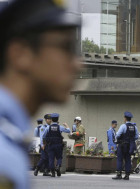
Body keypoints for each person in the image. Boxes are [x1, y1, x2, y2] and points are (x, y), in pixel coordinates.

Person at [0, 0, 80, 188]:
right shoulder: (5, 161)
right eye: (65, 47)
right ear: (20, 54)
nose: (77, 64)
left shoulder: (10, 136)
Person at [112, 112, 139, 180]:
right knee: (128, 159)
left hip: (122, 145)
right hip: (130, 146)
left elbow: (117, 135)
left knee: (120, 159)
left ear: (125, 118)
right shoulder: (134, 127)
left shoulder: (123, 126)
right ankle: (127, 175)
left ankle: (119, 174)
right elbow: (136, 136)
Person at [43, 113, 70, 177]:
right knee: (59, 157)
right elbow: (68, 131)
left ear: (51, 119)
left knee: (51, 159)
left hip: (50, 145)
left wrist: (44, 144)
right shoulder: (60, 127)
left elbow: (44, 136)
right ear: (58, 119)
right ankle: (58, 166)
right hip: (58, 145)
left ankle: (52, 172)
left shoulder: (48, 128)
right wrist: (66, 125)